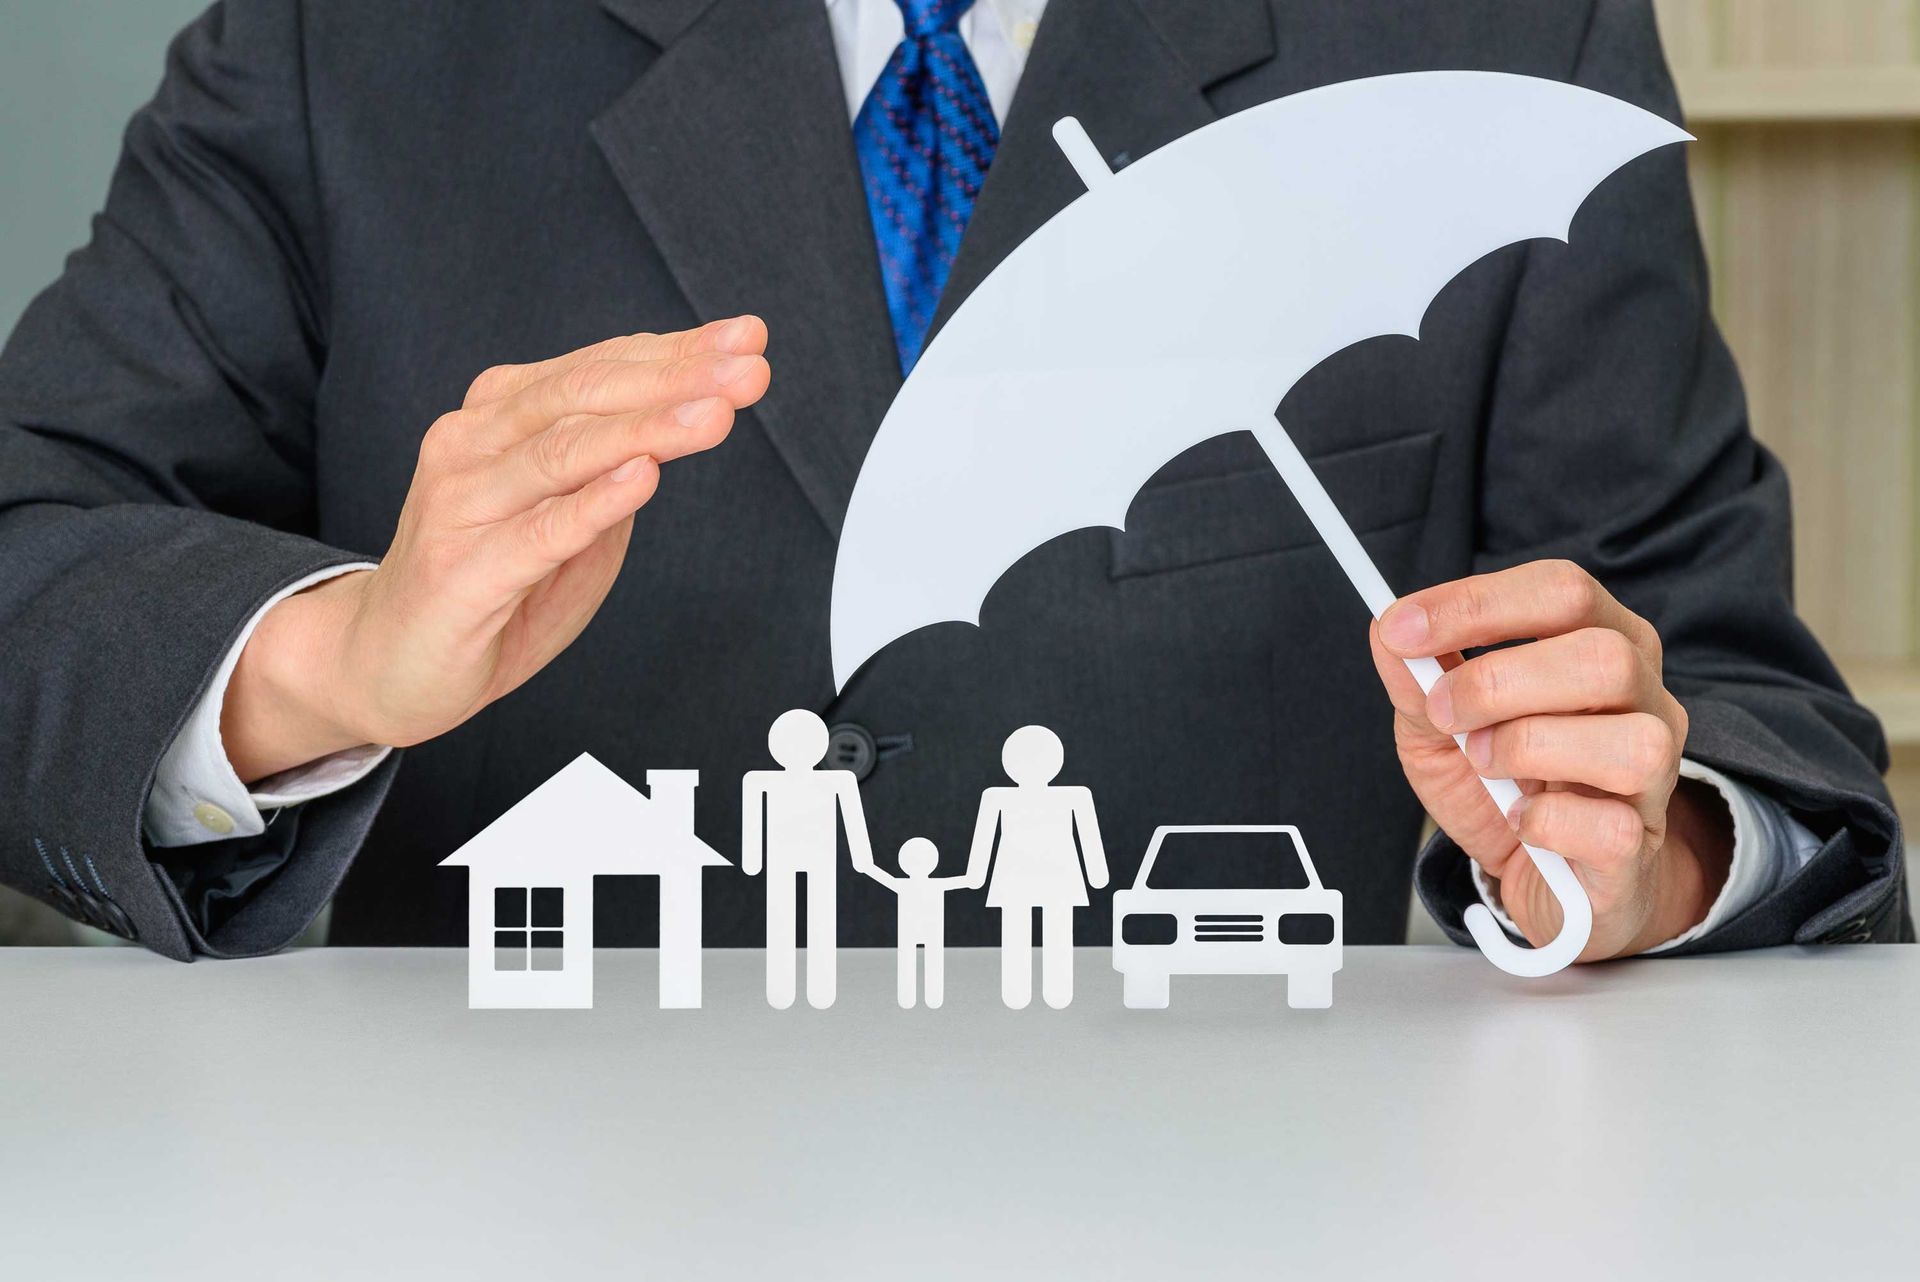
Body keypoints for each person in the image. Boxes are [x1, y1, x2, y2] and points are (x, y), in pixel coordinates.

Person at [0, 0, 1906, 963]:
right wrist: (331, 662)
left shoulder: (1492, 30)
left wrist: (1651, 853)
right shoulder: (357, 38)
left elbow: (1748, 710)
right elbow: (31, 556)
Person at [962, 727, 1108, 1009]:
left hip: (1041, 875)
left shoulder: (1074, 796)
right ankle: (1023, 994)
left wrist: (977, 875)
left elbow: (1089, 835)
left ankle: (1053, 993)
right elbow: (983, 839)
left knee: (1053, 932)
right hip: (1033, 876)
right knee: (1028, 932)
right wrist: (1096, 874)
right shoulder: (998, 797)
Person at [741, 709, 876, 1009]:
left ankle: (821, 988)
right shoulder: (760, 780)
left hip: (819, 855)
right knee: (781, 918)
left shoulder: (837, 781)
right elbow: (752, 816)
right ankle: (781, 988)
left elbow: (853, 818)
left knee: (821, 917)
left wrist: (862, 856)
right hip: (783, 855)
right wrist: (752, 856)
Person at [863, 836, 966, 1008]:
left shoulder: (907, 885)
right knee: (916, 960)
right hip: (917, 930)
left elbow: (875, 872)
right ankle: (917, 999)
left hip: (921, 930)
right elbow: (969, 881)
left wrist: (866, 865)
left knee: (922, 960)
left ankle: (922, 998)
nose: (918, 863)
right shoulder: (929, 885)